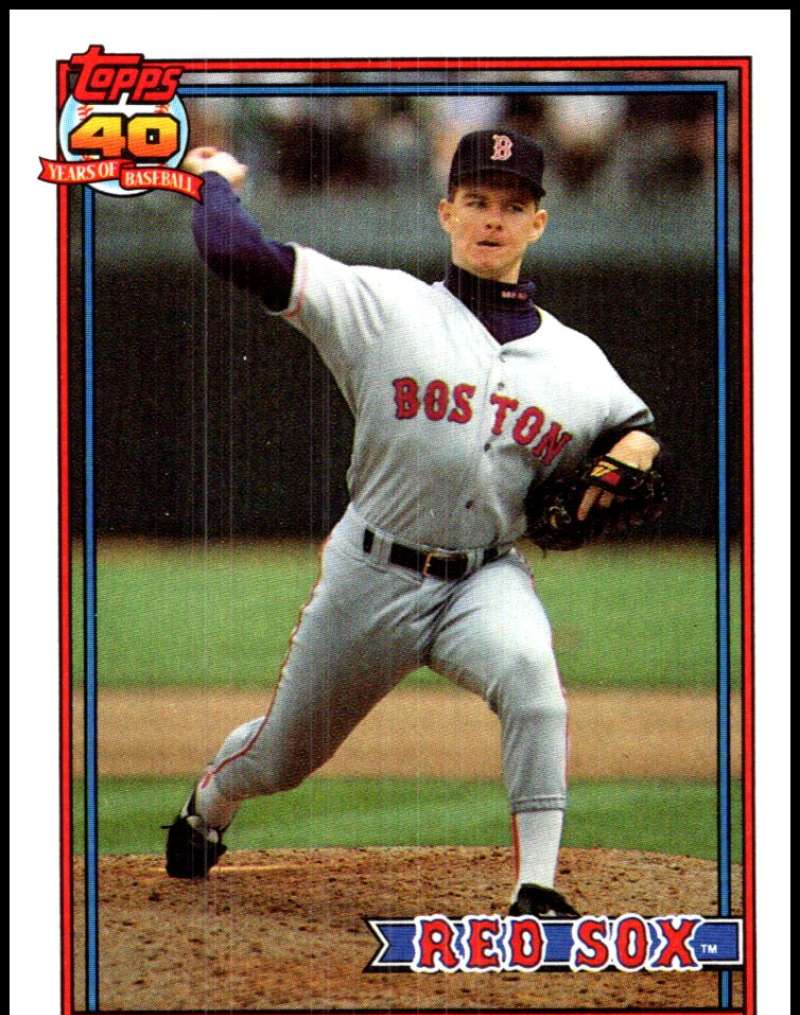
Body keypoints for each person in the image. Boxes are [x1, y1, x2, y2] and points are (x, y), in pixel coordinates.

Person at [164, 129, 660, 917]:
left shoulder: (577, 360)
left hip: (484, 577)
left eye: (513, 205)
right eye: (476, 202)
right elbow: (233, 251)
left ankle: (536, 888)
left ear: (539, 222)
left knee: (534, 680)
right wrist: (211, 182)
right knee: (286, 755)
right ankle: (211, 800)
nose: (492, 219)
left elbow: (636, 426)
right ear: (445, 212)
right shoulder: (381, 305)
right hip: (373, 573)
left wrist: (630, 449)